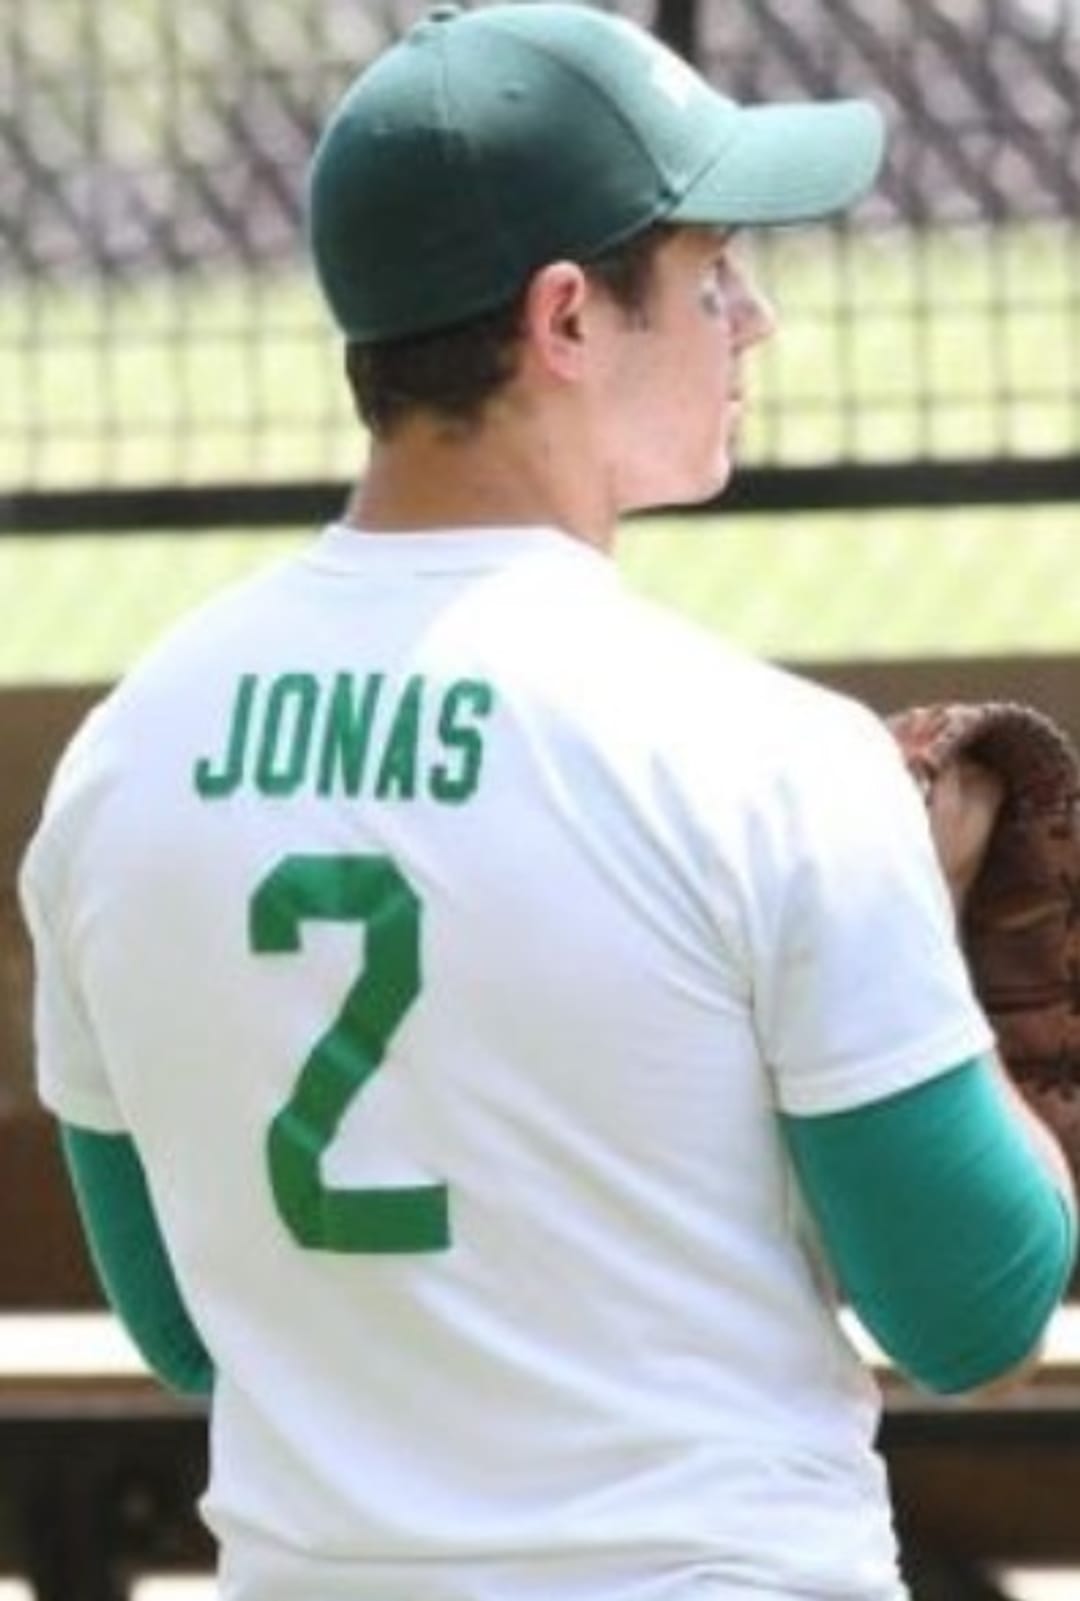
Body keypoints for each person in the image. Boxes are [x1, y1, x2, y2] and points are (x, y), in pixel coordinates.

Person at [17, 5, 1076, 1599]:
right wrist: (950, 979)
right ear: (565, 316)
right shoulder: (770, 761)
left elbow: (181, 1325)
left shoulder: (122, 761)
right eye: (713, 272)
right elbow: (973, 1312)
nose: (757, 319)